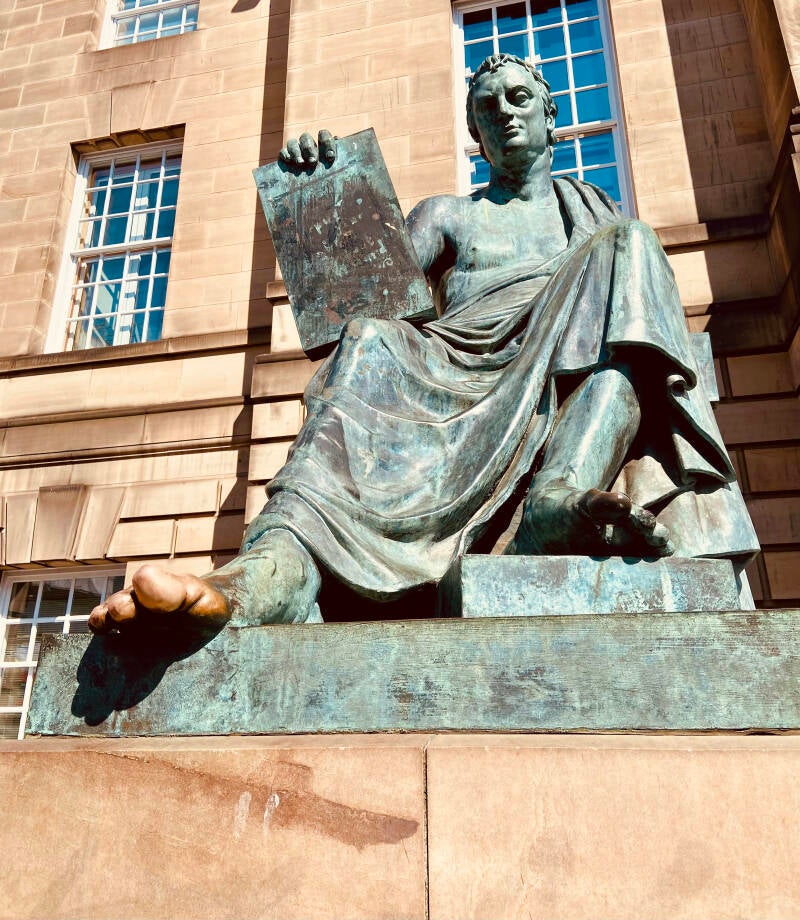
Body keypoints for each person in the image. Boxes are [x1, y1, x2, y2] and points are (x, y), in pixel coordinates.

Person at [89, 54, 757, 635]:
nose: (504, 112)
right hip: (452, 379)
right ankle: (266, 576)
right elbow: (358, 310)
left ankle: (557, 493)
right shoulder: (450, 214)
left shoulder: (596, 217)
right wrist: (324, 192)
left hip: (567, 388)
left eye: (518, 98)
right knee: (369, 341)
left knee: (627, 285)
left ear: (551, 116)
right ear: (476, 135)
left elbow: (646, 333)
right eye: (487, 107)